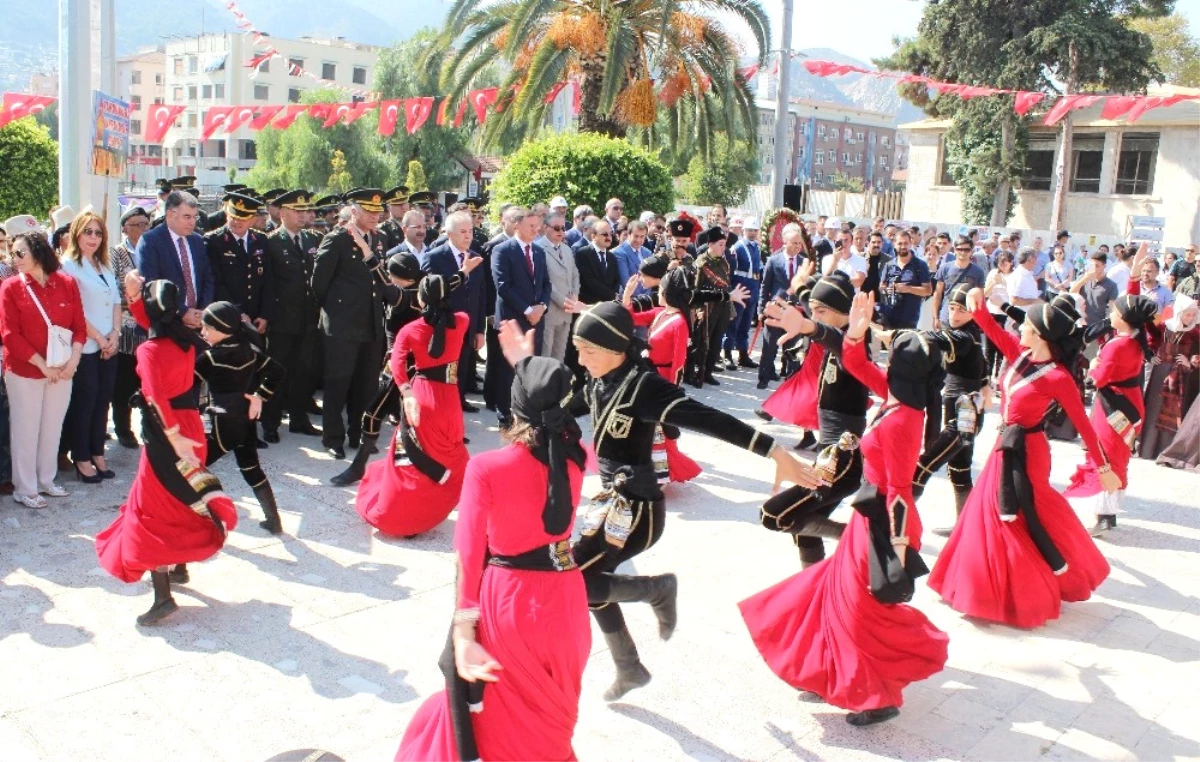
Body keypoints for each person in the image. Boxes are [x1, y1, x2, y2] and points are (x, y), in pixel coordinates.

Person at [496, 302, 819, 701]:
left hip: (640, 511)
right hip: (609, 506)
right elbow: (554, 407)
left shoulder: (645, 386)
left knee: (574, 581)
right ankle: (628, 666)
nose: (580, 359)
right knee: (588, 581)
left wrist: (775, 452)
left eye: (588, 351)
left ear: (616, 348)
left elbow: (708, 418)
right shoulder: (599, 380)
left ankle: (656, 591)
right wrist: (525, 368)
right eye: (578, 350)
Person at [741, 294, 949, 727]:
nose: (884, 349)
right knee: (834, 597)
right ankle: (822, 668)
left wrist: (897, 542)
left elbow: (898, 490)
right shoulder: (897, 395)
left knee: (859, 609)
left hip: (880, 520)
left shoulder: (903, 417)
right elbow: (857, 364)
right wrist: (854, 334)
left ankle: (876, 695)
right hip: (865, 514)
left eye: (891, 349)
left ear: (903, 366)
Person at [395, 356, 589, 762]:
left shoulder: (486, 468)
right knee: (551, 729)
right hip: (568, 602)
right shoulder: (579, 458)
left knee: (503, 729)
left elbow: (467, 553)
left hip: (512, 603)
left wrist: (463, 635)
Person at [928, 291, 1120, 629]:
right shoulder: (1020, 353)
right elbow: (987, 323)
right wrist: (978, 296)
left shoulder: (1059, 378)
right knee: (989, 513)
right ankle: (977, 586)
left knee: (1026, 512)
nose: (1021, 330)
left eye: (1027, 326)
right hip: (1005, 444)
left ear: (1042, 335)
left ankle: (1032, 587)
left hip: (1029, 451)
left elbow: (1085, 425)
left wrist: (1103, 468)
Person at [94, 278, 238, 626]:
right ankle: (181, 567)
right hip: (190, 426)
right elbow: (153, 319)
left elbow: (156, 399)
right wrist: (134, 293)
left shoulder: (148, 350)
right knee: (183, 499)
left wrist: (172, 439)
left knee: (151, 510)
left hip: (168, 433)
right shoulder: (186, 342)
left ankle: (163, 598)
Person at [356, 274, 472, 537]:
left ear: (420, 299)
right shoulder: (463, 322)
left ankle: (402, 516)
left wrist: (407, 392)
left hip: (420, 398)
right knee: (447, 452)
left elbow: (397, 364)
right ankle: (430, 511)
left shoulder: (410, 330)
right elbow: (445, 307)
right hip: (449, 400)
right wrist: (462, 274)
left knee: (410, 458)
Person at [312, 188, 400, 459]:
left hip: (371, 323)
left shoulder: (379, 238)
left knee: (366, 384)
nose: (375, 216)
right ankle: (333, 437)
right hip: (342, 325)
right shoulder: (337, 239)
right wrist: (338, 311)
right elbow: (318, 284)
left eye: (378, 212)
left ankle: (359, 435)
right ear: (354, 211)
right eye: (369, 211)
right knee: (338, 383)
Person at [0, 231, 86, 508]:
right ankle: (24, 487)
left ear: (38, 253)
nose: (15, 259)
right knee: (25, 429)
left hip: (62, 369)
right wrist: (41, 364)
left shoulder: (67, 283)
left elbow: (79, 326)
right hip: (25, 371)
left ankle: (46, 480)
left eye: (20, 253)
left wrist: (73, 361)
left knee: (52, 427)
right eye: (13, 253)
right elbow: (9, 333)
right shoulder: (11, 287)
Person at [1065, 295, 1158, 536]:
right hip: (1129, 402)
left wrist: (1094, 366)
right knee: (1118, 453)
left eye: (1114, 311)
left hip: (1112, 404)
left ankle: (1104, 515)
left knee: (1105, 453)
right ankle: (1109, 513)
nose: (1111, 314)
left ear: (1125, 318)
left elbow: (1098, 379)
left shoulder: (1117, 344)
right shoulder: (1136, 340)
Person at [193, 301, 287, 534]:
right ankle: (273, 520)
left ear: (222, 328)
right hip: (246, 422)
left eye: (206, 328)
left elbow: (186, 387)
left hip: (221, 424)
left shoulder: (210, 358)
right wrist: (259, 397)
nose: (202, 332)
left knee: (192, 472)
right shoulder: (249, 351)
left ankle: (201, 523)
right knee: (252, 470)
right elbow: (278, 372)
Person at [911, 283, 989, 535]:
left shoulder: (966, 336)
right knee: (959, 471)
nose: (954, 315)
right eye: (952, 308)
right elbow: (983, 368)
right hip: (962, 409)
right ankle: (965, 530)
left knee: (923, 466)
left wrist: (899, 335)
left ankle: (893, 523)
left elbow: (935, 338)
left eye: (961, 310)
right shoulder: (971, 334)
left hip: (965, 413)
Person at [621, 265, 702, 483]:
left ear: (667, 293)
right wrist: (627, 296)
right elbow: (632, 318)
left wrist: (671, 390)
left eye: (660, 290)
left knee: (659, 428)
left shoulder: (679, 322)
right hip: (649, 375)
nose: (657, 293)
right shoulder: (660, 314)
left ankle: (662, 471)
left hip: (663, 379)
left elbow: (678, 362)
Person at [60, 210, 121, 483]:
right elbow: (74, 309)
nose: (93, 237)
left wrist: (115, 334)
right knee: (85, 403)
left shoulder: (104, 265)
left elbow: (117, 303)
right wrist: (98, 337)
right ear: (76, 233)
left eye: (98, 233)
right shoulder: (68, 265)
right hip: (85, 344)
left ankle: (98, 452)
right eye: (88, 231)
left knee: (102, 401)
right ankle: (81, 456)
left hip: (109, 343)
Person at [262, 190, 323, 440]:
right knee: (277, 372)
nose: (303, 215)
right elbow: (267, 284)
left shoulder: (312, 239)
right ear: (283, 213)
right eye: (297, 211)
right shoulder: (271, 242)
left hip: (308, 318)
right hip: (282, 320)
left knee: (303, 372)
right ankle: (270, 423)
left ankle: (299, 419)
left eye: (305, 211)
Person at [420, 211, 487, 412]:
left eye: (471, 231)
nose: (469, 236)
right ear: (449, 234)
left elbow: (480, 296)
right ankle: (443, 414)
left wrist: (479, 330)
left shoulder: (476, 258)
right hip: (444, 328)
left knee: (462, 372)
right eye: (463, 232)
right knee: (444, 375)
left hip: (467, 328)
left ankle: (457, 407)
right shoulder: (435, 257)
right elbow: (430, 295)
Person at [490, 207, 551, 428]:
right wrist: (528, 310)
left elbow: (546, 284)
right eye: (531, 226)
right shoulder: (502, 250)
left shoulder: (539, 251)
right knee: (509, 371)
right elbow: (503, 287)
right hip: (513, 319)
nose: (536, 230)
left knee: (532, 367)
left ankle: (527, 412)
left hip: (536, 320)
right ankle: (505, 414)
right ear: (517, 225)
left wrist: (542, 307)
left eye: (537, 226)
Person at [135, 190, 214, 330]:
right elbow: (152, 286)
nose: (192, 222)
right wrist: (182, 312)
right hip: (167, 325)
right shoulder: (150, 241)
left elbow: (208, 278)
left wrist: (202, 310)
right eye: (187, 217)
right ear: (170, 214)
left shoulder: (197, 241)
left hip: (199, 324)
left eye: (195, 217)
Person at [1138, 293, 1200, 459]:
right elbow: (1149, 340)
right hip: (1160, 372)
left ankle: (1164, 451)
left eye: (1194, 314)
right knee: (1153, 407)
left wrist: (1191, 363)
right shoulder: (1165, 327)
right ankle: (1147, 449)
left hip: (1179, 377)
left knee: (1172, 412)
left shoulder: (1195, 333)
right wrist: (1151, 356)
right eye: (1188, 314)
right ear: (1179, 312)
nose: (1191, 317)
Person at [110, 206, 152, 449]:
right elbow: (115, 285)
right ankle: (123, 428)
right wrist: (134, 298)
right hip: (127, 327)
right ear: (125, 227)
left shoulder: (151, 248)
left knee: (148, 381)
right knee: (124, 381)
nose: (142, 229)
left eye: (145, 224)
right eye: (137, 224)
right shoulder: (117, 252)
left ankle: (149, 428)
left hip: (150, 326)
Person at [757, 224, 808, 390]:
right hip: (775, 310)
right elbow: (765, 286)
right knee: (769, 346)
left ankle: (791, 381)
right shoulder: (774, 260)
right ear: (785, 243)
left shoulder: (804, 262)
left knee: (793, 348)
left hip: (795, 311)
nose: (797, 246)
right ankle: (763, 378)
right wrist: (761, 309)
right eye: (794, 243)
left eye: (799, 243)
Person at [693, 227, 735, 384]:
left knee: (717, 340)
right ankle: (699, 371)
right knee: (704, 341)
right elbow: (696, 289)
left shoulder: (724, 262)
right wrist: (698, 310)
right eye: (720, 244)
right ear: (710, 244)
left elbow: (726, 286)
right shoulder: (701, 263)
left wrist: (730, 308)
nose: (723, 248)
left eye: (724, 244)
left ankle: (708, 372)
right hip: (707, 306)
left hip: (722, 305)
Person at [536, 210, 579, 362]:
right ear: (545, 227)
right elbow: (544, 280)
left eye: (563, 228)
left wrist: (574, 295)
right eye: (556, 228)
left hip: (567, 312)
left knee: (559, 357)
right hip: (549, 311)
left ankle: (556, 385)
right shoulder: (538, 249)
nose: (561, 232)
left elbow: (574, 274)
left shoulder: (566, 249)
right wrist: (562, 300)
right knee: (545, 356)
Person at [725, 216, 763, 368]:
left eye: (754, 230)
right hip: (741, 286)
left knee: (746, 324)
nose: (752, 233)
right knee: (733, 322)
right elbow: (731, 270)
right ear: (743, 231)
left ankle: (743, 354)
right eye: (749, 230)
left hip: (753, 286)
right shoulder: (738, 247)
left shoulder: (757, 247)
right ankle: (727, 354)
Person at [877, 230, 931, 330]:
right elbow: (881, 287)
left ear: (910, 243)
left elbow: (928, 291)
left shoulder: (920, 265)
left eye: (906, 243)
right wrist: (887, 290)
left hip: (909, 319)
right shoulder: (889, 265)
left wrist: (907, 289)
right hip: (889, 318)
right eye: (900, 243)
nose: (903, 246)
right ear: (894, 244)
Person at [931, 236, 986, 330]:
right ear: (955, 250)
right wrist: (935, 317)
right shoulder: (945, 268)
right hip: (947, 316)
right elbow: (938, 294)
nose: (963, 252)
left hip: (968, 319)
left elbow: (980, 297)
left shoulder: (978, 272)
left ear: (971, 251)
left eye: (966, 249)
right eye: (960, 249)